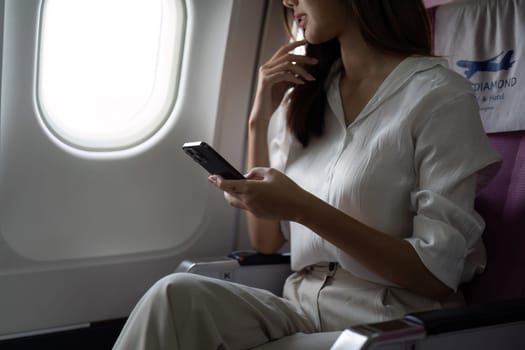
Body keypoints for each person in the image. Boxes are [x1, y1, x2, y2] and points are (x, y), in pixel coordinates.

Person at [113, 0, 501, 349]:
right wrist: (258, 116)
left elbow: (436, 273)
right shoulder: (306, 99)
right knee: (175, 296)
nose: (287, 1)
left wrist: (302, 208)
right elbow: (266, 241)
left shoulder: (438, 95)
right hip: (298, 310)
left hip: (386, 323)